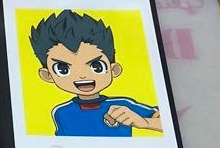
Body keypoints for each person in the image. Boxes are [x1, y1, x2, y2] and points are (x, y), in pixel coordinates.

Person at [28, 9, 161, 137]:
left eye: (96, 66)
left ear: (114, 70)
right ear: (48, 75)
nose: (82, 75)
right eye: (63, 69)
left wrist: (145, 122)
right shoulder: (61, 113)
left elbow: (165, 121)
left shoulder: (123, 106)